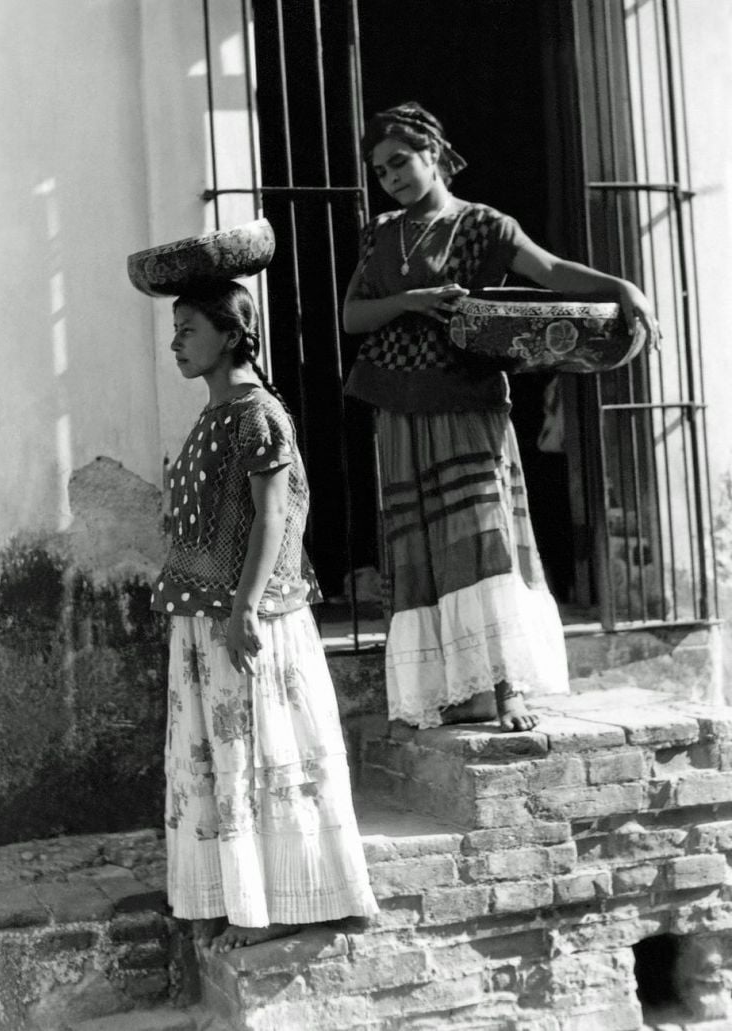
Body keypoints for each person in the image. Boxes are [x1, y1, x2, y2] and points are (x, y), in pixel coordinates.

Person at [342, 102, 659, 734]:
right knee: (424, 544)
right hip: (398, 407)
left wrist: (623, 289)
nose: (392, 178)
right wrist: (410, 300)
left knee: (483, 538)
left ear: (434, 154)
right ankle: (451, 690)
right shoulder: (381, 232)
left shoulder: (485, 226)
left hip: (466, 400)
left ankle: (507, 687)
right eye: (380, 171)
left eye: (400, 161)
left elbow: (550, 271)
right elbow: (352, 317)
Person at [152, 281, 377, 952]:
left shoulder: (257, 414)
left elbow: (274, 517)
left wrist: (245, 607)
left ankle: (294, 901)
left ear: (229, 334)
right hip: (206, 612)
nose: (176, 342)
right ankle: (237, 895)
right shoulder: (216, 413)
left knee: (264, 755)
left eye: (188, 328)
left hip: (249, 618)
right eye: (175, 329)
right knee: (223, 761)